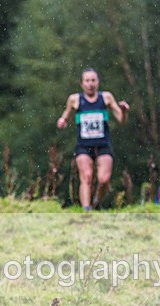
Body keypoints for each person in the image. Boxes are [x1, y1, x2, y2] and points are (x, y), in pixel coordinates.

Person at [56, 68, 129, 210]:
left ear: (98, 82)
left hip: (103, 145)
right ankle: (86, 210)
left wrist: (124, 111)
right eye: (87, 81)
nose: (90, 84)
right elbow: (65, 117)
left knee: (104, 180)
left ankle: (96, 202)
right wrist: (62, 122)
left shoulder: (106, 97)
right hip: (83, 145)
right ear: (82, 84)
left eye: (93, 80)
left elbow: (122, 120)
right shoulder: (74, 99)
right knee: (87, 176)